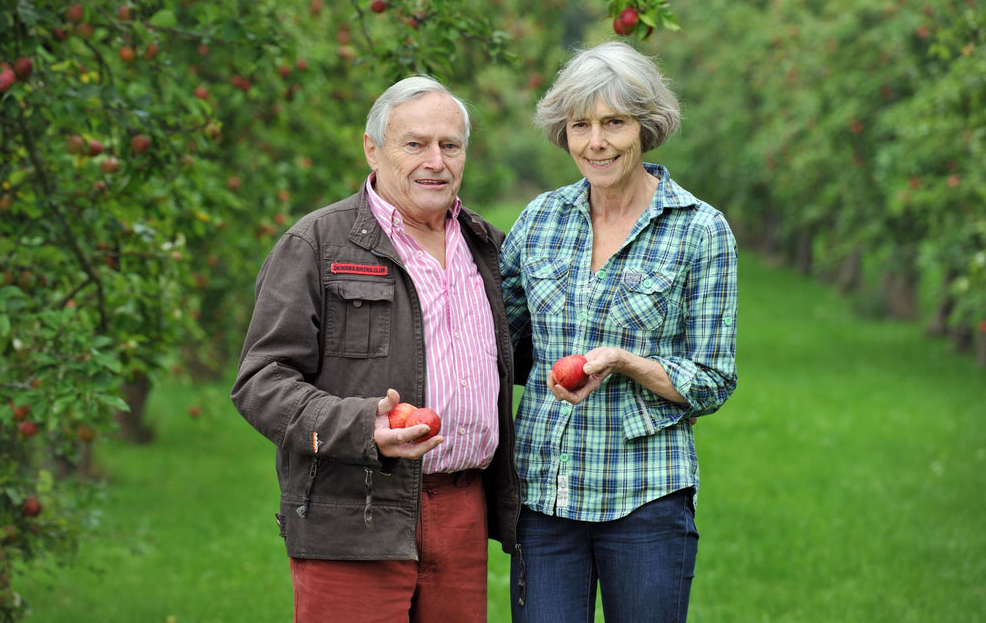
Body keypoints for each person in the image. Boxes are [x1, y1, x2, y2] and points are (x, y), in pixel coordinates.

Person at [231, 75, 520, 623]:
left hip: (461, 509)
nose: (435, 160)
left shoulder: (489, 249)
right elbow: (260, 382)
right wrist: (364, 427)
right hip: (354, 511)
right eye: (414, 144)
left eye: (450, 145)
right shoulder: (316, 245)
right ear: (372, 147)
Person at [501, 40, 738, 623]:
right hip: (545, 495)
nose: (596, 142)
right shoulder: (540, 220)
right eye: (580, 125)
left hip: (646, 497)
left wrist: (627, 362)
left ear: (646, 127)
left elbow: (713, 380)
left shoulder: (698, 231)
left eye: (614, 123)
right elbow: (494, 339)